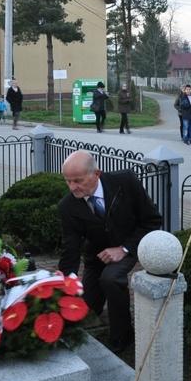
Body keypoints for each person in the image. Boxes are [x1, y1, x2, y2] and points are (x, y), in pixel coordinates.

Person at [58, 150, 162, 354]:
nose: (73, 187)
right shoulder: (67, 207)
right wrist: (62, 284)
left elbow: (152, 221)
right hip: (96, 255)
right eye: (68, 181)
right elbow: (70, 249)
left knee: (111, 278)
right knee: (84, 311)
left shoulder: (126, 182)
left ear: (96, 174)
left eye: (78, 181)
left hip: (131, 244)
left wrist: (123, 249)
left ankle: (122, 334)